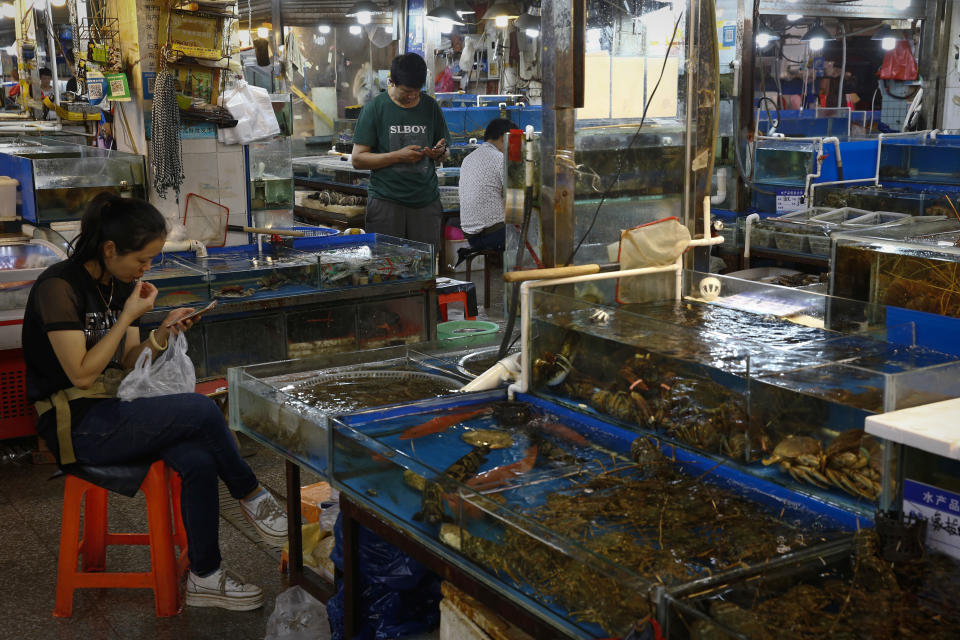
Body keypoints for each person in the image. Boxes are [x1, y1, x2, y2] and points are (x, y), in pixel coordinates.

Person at [23, 194, 288, 611]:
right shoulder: (58, 287)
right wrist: (128, 316)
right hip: (75, 423)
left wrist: (161, 332)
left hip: (115, 406)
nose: (146, 269)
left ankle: (205, 576)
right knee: (201, 409)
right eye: (141, 259)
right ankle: (253, 496)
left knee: (198, 458)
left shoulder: (119, 284)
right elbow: (80, 373)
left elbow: (129, 362)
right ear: (110, 249)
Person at [351, 53, 450, 251]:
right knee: (386, 266)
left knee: (425, 268)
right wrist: (398, 156)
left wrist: (440, 152)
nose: (412, 96)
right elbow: (358, 159)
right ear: (392, 82)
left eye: (417, 91)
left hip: (426, 201)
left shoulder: (430, 107)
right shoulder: (375, 109)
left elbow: (445, 149)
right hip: (386, 201)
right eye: (407, 91)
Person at [457, 118, 516, 252]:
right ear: (503, 138)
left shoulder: (468, 158)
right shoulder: (500, 158)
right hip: (495, 234)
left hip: (470, 236)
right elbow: (514, 193)